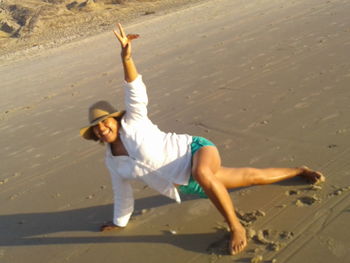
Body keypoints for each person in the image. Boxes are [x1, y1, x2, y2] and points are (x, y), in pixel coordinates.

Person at [80, 24, 325, 255]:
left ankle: (235, 226)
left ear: (115, 120)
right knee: (251, 177)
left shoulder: (134, 121)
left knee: (204, 174)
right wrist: (118, 222)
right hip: (189, 182)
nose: (102, 128)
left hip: (196, 150)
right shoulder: (113, 162)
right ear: (95, 135)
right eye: (97, 128)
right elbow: (121, 193)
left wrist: (126, 59)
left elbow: (135, 91)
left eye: (105, 122)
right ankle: (298, 170)